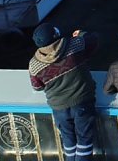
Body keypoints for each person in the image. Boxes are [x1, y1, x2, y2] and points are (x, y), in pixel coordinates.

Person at [28, 23, 100, 161]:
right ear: (55, 36)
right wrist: (81, 33)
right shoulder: (74, 45)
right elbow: (95, 39)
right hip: (82, 101)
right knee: (84, 141)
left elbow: (37, 87)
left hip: (58, 107)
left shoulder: (34, 64)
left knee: (69, 143)